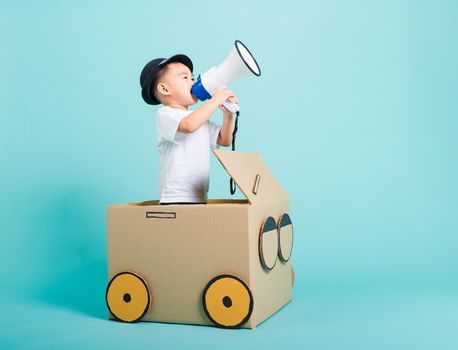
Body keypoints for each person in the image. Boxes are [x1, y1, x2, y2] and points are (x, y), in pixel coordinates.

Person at [140, 54, 237, 204]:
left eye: (192, 78)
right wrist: (216, 99)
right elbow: (189, 125)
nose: (192, 82)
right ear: (164, 89)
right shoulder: (166, 114)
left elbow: (224, 140)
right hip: (176, 197)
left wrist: (228, 115)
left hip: (199, 195)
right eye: (184, 78)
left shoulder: (198, 117)